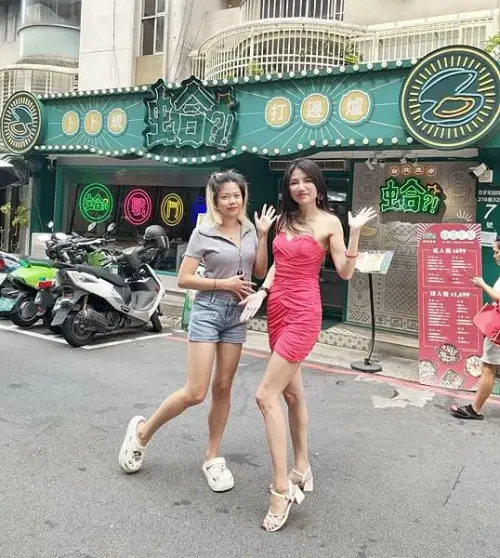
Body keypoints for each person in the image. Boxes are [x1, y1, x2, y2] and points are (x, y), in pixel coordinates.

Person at [239, 158, 376, 532]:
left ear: (318, 185)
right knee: (292, 394)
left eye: (306, 181)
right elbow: (273, 266)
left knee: (265, 396)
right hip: (277, 310)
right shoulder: (284, 220)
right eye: (293, 182)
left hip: (303, 312)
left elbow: (345, 272)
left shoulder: (330, 223)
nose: (299, 187)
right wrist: (262, 288)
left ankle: (281, 489)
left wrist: (355, 233)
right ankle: (301, 467)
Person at [119, 170, 277, 491]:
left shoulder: (250, 229)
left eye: (237, 195)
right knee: (195, 391)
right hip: (208, 310)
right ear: (215, 201)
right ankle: (142, 434)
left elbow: (260, 271)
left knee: (223, 387)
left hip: (237, 314)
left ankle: (212, 456)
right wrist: (223, 284)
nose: (232, 201)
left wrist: (262, 236)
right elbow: (184, 279)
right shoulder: (203, 232)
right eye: (225, 197)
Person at [451, 236, 500, 420]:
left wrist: (482, 284)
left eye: (496, 252)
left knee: (488, 367)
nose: (494, 256)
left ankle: (475, 409)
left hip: (497, 330)